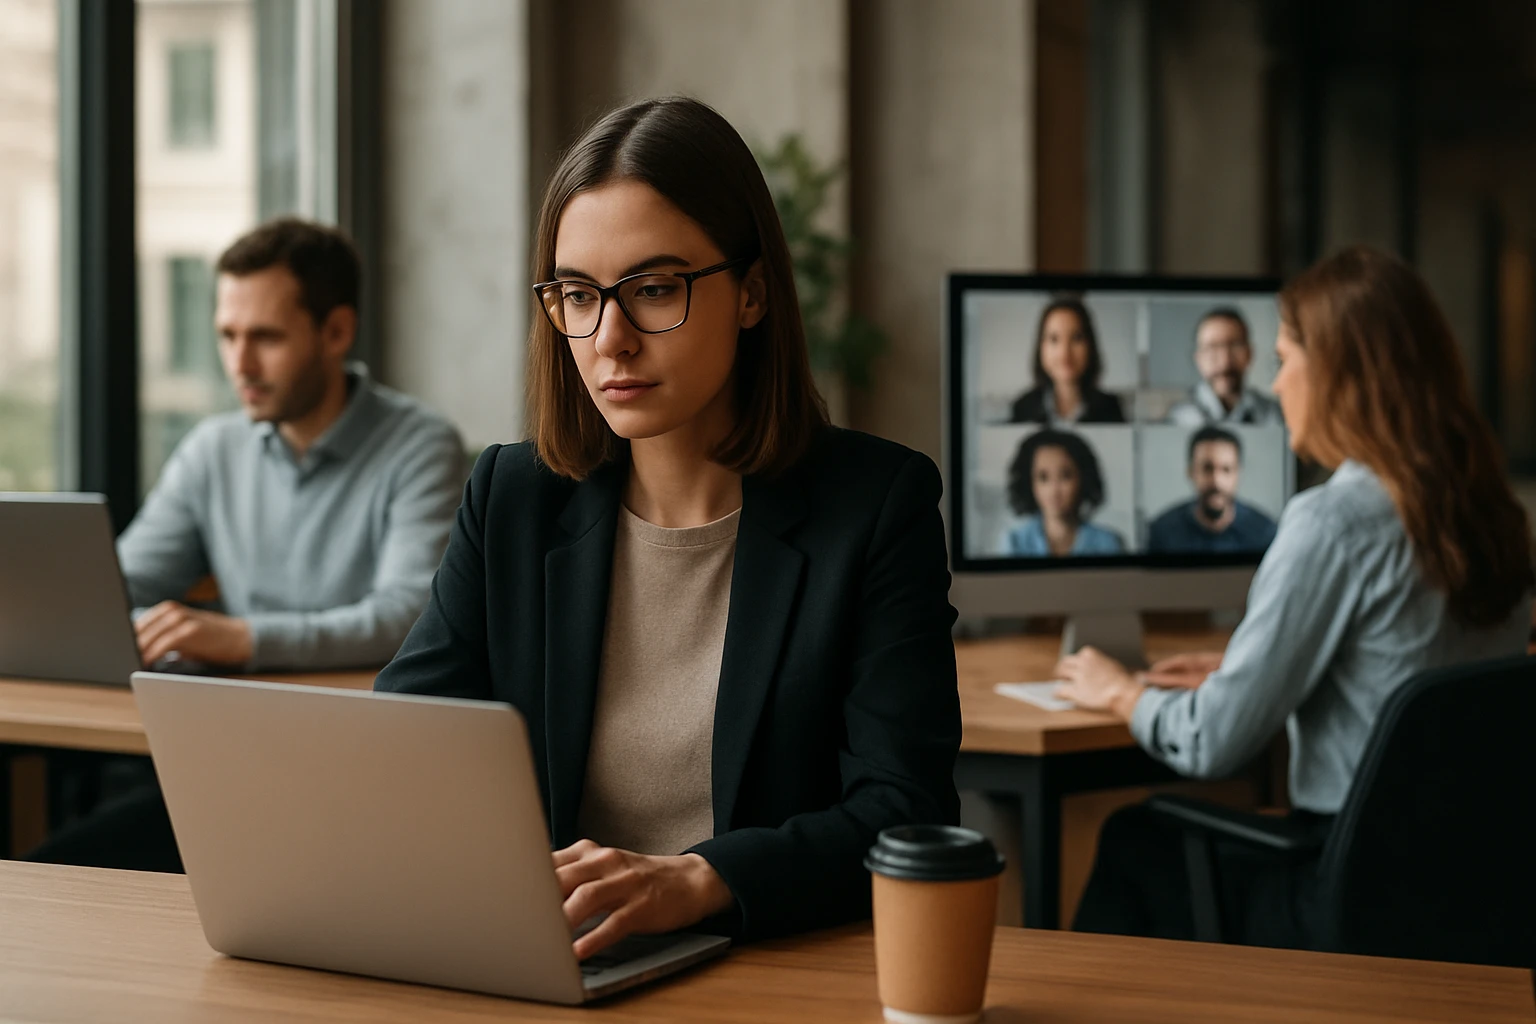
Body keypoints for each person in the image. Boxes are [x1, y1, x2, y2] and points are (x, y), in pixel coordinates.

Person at [372, 97, 961, 961]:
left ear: (753, 292)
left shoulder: (874, 506)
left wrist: (697, 880)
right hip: (556, 963)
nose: (610, 340)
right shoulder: (513, 494)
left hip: (765, 971)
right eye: (577, 295)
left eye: (652, 290)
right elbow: (404, 744)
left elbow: (903, 810)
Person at [1055, 246, 1533, 947]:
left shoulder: (1332, 522)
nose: (1274, 386)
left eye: (1283, 359)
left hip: (1343, 895)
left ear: (1340, 374)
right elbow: (1408, 673)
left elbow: (1210, 741)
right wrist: (1240, 669)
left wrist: (1123, 691)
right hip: (1468, 894)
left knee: (1138, 840)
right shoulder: (1494, 514)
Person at [26, 217, 464, 872]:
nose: (240, 364)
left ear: (336, 332)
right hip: (226, 753)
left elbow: (408, 615)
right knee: (52, 872)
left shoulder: (421, 446)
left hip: (358, 773)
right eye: (228, 336)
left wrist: (241, 638)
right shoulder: (213, 450)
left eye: (265, 337)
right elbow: (122, 583)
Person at [1145, 426, 1277, 554]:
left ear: (1238, 474)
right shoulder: (1163, 532)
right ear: (1191, 472)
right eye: (1207, 468)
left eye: (1226, 469)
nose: (1216, 481)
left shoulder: (1265, 533)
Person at [1003, 429, 1125, 556]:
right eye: (1043, 478)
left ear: (1084, 479)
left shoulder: (1108, 543)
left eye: (1065, 476)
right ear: (1029, 482)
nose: (1054, 490)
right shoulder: (1014, 542)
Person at [1009, 298, 1127, 425]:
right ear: (1040, 347)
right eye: (1054, 339)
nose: (1064, 352)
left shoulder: (1110, 408)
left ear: (1090, 346)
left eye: (1076, 338)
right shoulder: (1022, 408)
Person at [1166, 307, 1282, 426]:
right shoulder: (1178, 418)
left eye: (1234, 346)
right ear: (1198, 358)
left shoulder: (1273, 415)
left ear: (1249, 353)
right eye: (1212, 347)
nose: (1225, 361)